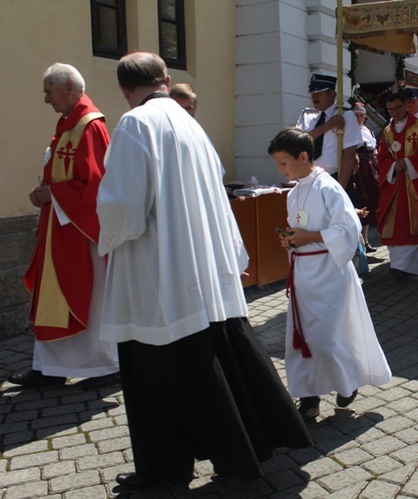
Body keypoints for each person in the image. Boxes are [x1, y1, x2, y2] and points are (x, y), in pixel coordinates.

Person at [96, 52, 310, 488]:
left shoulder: (135, 124)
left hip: (158, 271)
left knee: (158, 371)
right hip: (201, 266)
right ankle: (239, 449)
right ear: (166, 79)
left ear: (123, 89)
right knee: (205, 362)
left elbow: (122, 207)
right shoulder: (192, 125)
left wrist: (106, 233)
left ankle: (165, 467)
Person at [9, 63, 119, 390]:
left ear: (69, 89)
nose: (45, 99)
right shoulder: (67, 123)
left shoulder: (90, 126)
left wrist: (53, 193)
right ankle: (48, 367)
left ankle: (106, 365)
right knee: (50, 299)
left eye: (49, 91)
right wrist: (45, 194)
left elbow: (98, 185)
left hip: (81, 234)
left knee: (91, 299)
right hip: (59, 229)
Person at [269, 127, 392, 420]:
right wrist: (290, 239)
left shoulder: (328, 187)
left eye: (284, 162)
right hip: (303, 277)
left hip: (329, 273)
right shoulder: (294, 193)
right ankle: (309, 398)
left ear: (303, 156)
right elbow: (300, 230)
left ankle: (347, 381)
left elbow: (347, 229)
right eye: (278, 165)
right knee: (302, 340)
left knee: (327, 337)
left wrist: (308, 237)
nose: (281, 169)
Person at [376, 93, 418, 280]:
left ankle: (413, 268)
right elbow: (382, 156)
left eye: (398, 107)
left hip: (415, 183)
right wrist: (393, 166)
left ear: (405, 106)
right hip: (394, 185)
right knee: (395, 224)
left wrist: (407, 163)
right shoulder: (387, 132)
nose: (395, 112)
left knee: (414, 223)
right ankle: (398, 265)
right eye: (390, 109)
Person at [296, 74, 362, 193]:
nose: (315, 97)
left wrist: (339, 189)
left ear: (332, 94)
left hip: (333, 177)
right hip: (308, 178)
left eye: (319, 93)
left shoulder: (345, 115)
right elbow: (298, 144)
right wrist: (326, 126)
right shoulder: (307, 115)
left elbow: (349, 156)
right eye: (313, 94)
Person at [352, 102, 380, 252]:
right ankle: (359, 242)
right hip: (358, 169)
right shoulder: (349, 131)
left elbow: (374, 150)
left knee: (370, 203)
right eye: (356, 115)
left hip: (371, 168)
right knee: (360, 201)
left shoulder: (368, 130)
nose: (359, 118)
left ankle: (366, 240)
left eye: (361, 115)